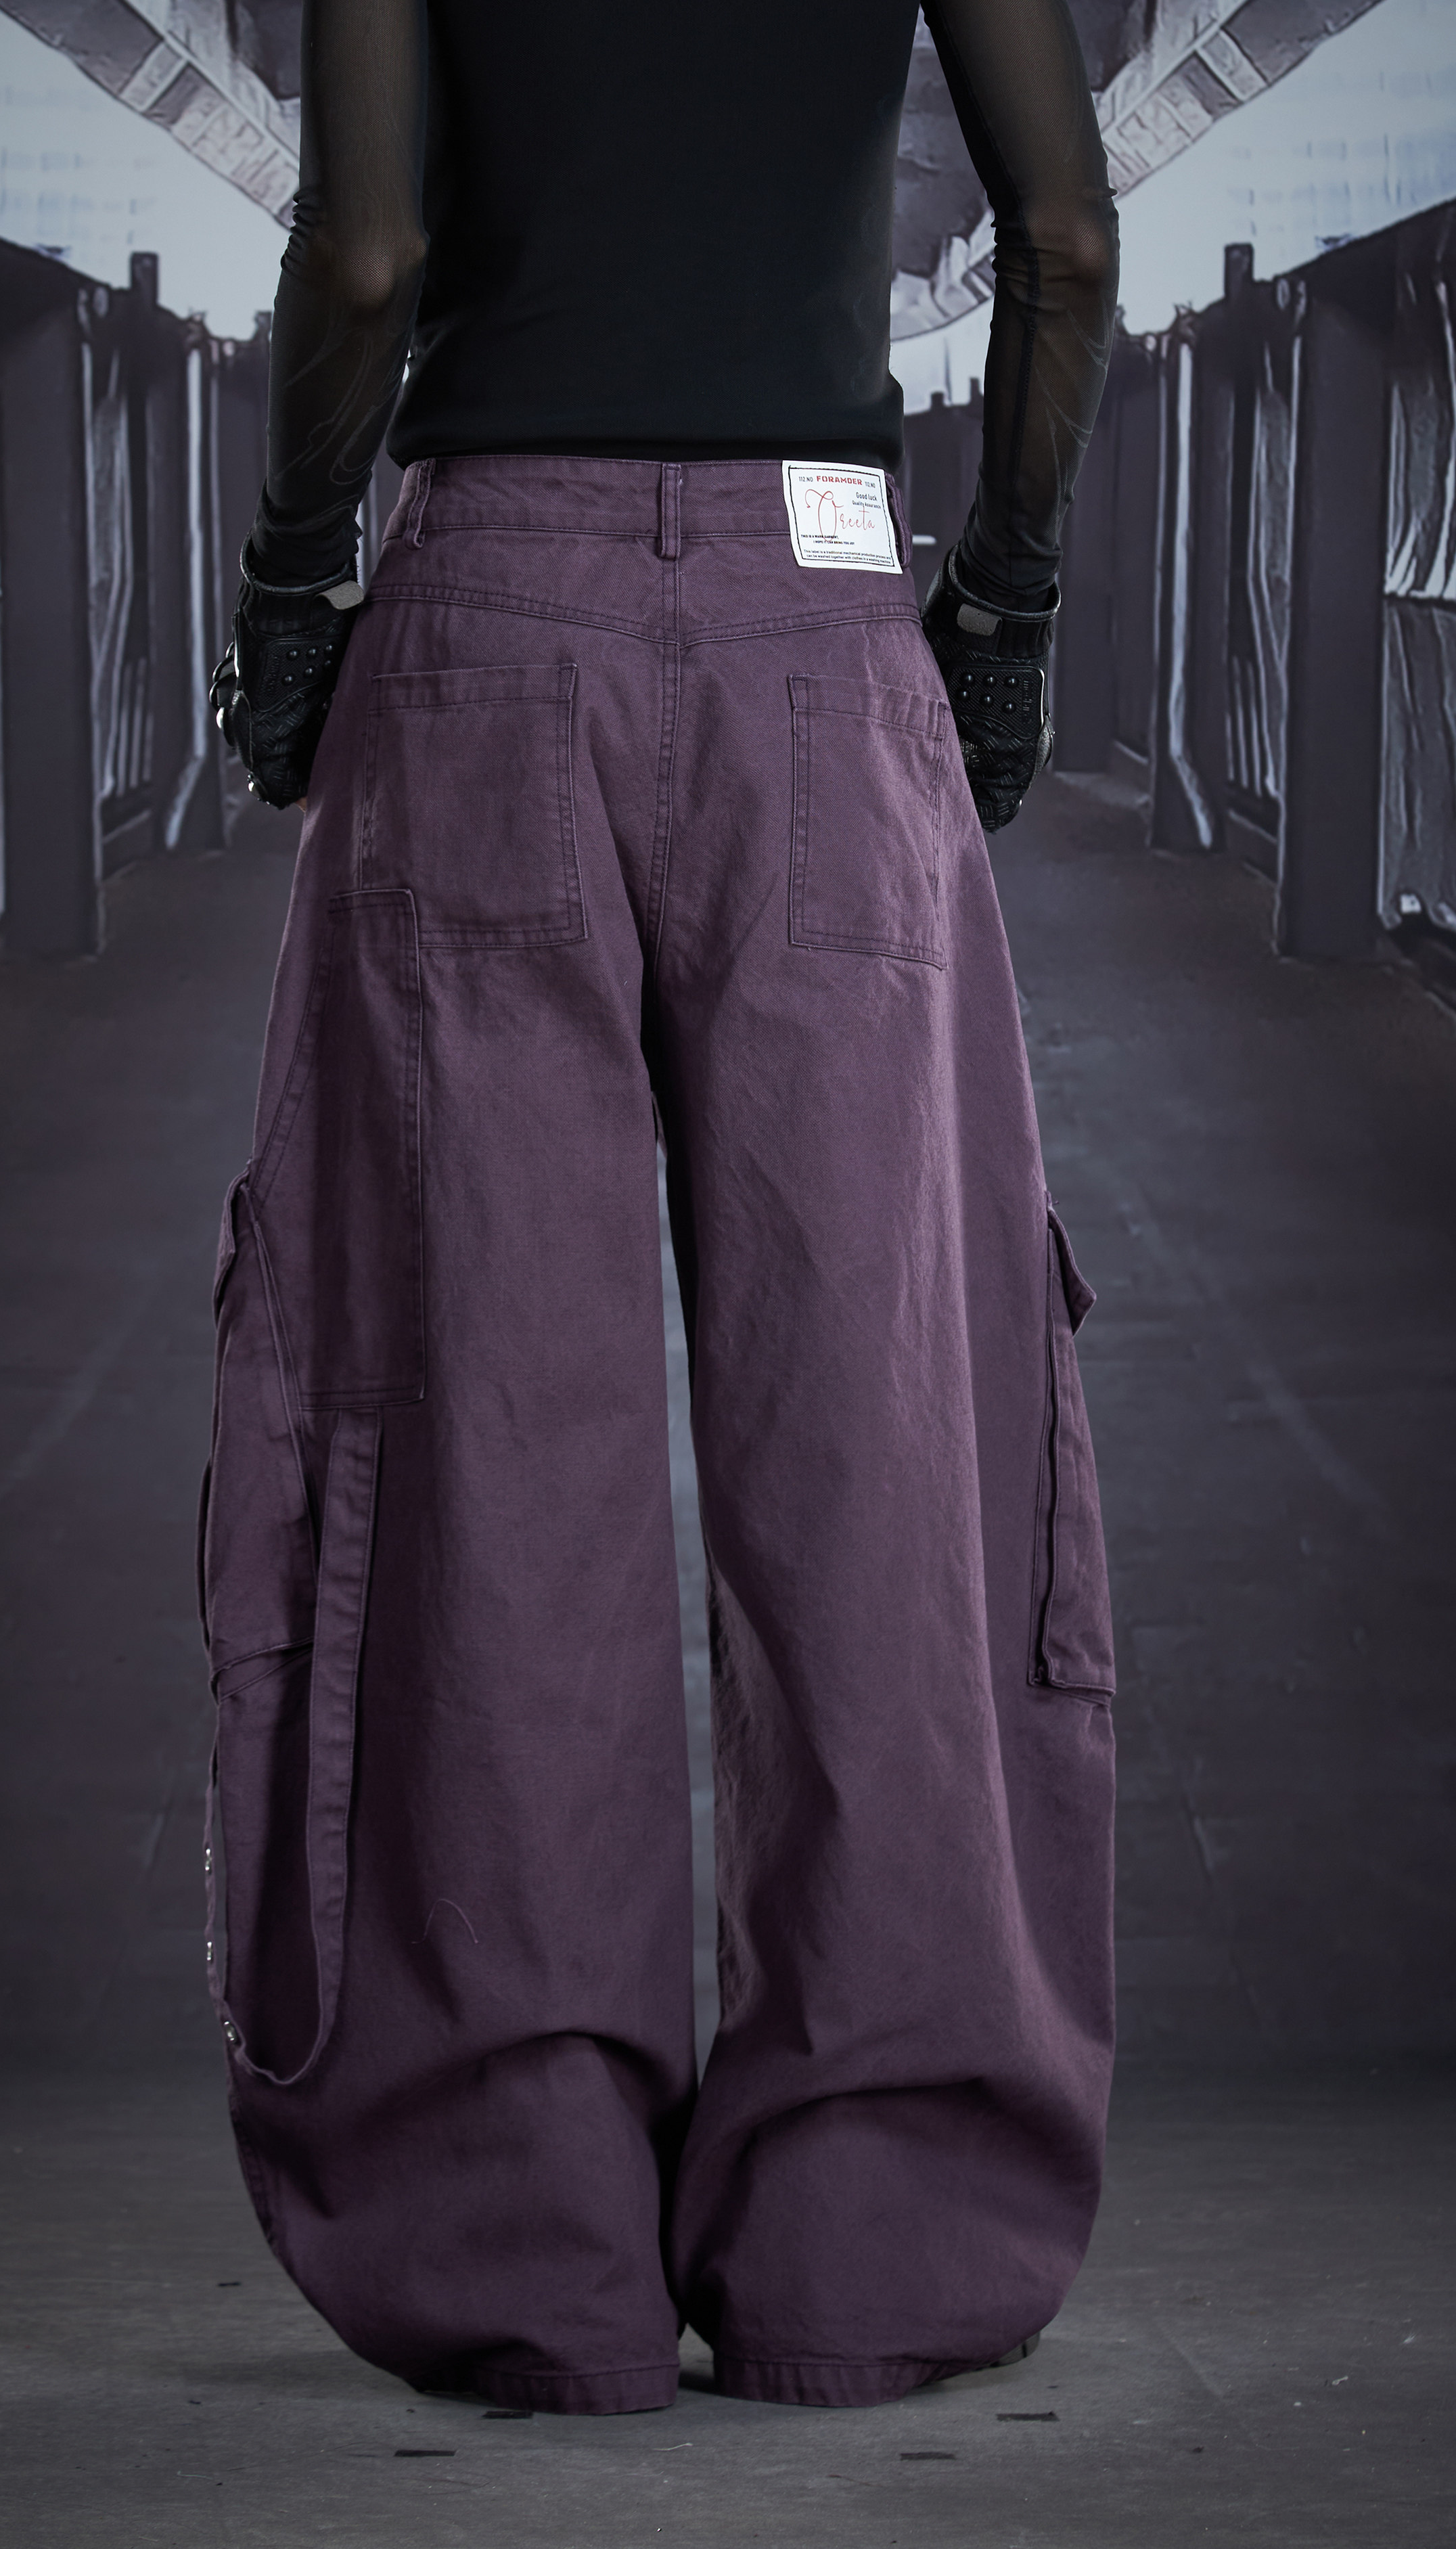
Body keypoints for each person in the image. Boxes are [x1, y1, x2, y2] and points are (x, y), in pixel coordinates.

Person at [202, 0, 1120, 2415]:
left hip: (487, 631)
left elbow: (367, 254)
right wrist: (1006, 606)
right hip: (826, 625)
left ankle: (528, 2242)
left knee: (485, 1431)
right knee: (881, 1437)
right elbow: (1062, 234)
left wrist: (295, 577)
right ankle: (871, 2233)